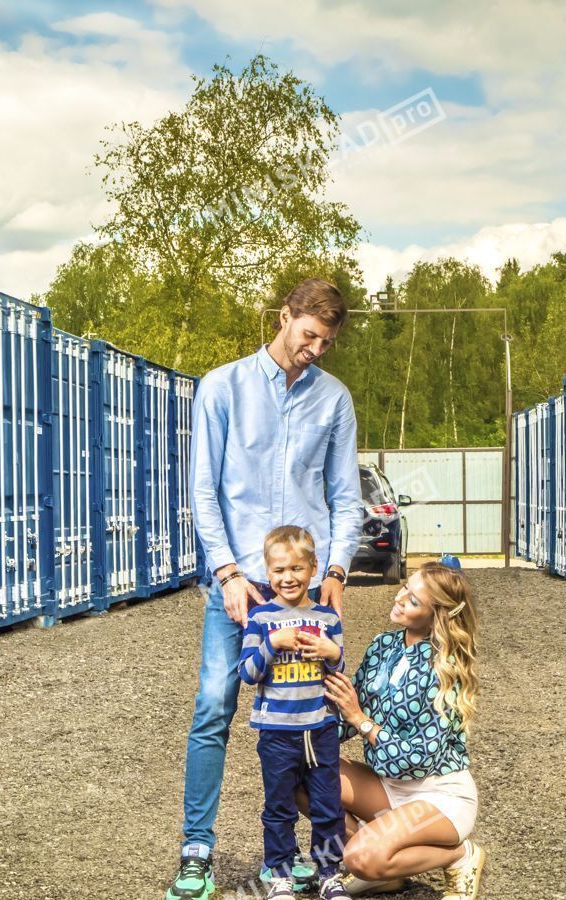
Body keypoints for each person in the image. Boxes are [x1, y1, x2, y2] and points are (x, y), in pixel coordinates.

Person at [167, 279, 362, 900]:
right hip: (241, 589)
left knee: (315, 719)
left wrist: (334, 572)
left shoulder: (334, 400)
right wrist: (226, 573)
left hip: (307, 594)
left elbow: (346, 499)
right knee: (214, 706)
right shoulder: (222, 387)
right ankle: (197, 851)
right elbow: (204, 490)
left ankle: (305, 857)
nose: (315, 350)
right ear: (285, 317)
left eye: (326, 343)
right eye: (309, 336)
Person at [322, 562, 485, 900]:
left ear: (435, 615)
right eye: (404, 589)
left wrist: (362, 721)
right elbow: (348, 711)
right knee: (301, 770)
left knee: (359, 858)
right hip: (388, 787)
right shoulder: (383, 646)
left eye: (412, 600)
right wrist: (295, 731)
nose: (398, 599)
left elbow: (417, 760)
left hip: (438, 794)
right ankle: (385, 870)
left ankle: (460, 855)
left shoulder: (446, 669)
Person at [238, 526, 350, 900]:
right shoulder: (260, 619)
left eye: (297, 569)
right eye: (279, 570)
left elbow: (339, 668)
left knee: (327, 805)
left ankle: (330, 873)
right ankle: (281, 876)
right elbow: (248, 674)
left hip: (320, 727)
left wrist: (331, 653)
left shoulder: (327, 620)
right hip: (276, 732)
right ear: (267, 572)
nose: (288, 578)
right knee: (279, 808)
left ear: (313, 568)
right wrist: (272, 643)